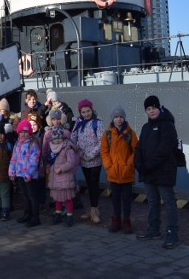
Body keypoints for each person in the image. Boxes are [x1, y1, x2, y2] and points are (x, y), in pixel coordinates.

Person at [135, 95, 180, 249]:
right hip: (148, 172)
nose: (151, 111)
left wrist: (147, 165)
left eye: (154, 107)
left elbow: (165, 149)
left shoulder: (167, 125)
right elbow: (139, 148)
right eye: (148, 109)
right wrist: (138, 163)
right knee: (153, 202)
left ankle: (172, 233)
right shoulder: (145, 128)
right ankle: (153, 229)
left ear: (159, 108)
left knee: (169, 202)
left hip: (163, 171)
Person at [101, 105, 138, 233]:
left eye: (121, 117)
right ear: (112, 119)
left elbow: (136, 151)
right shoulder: (107, 134)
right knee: (115, 199)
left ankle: (126, 220)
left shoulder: (131, 133)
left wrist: (129, 165)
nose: (119, 119)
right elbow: (104, 152)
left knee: (127, 199)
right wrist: (109, 166)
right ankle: (116, 219)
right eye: (116, 117)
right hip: (113, 174)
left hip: (127, 173)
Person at [70, 98, 104, 223]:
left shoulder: (97, 123)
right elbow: (73, 138)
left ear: (91, 110)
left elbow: (101, 142)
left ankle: (95, 211)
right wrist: (78, 152)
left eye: (88, 111)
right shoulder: (78, 123)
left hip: (95, 160)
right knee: (89, 184)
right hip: (83, 160)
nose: (86, 114)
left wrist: (90, 154)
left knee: (94, 184)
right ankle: (90, 210)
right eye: (83, 112)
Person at [9, 120, 41, 227]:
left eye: (26, 132)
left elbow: (34, 160)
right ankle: (27, 213)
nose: (23, 134)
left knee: (32, 196)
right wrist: (12, 172)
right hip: (20, 174)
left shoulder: (33, 144)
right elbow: (13, 158)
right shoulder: (17, 144)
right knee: (25, 196)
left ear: (30, 132)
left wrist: (29, 174)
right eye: (21, 132)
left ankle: (35, 217)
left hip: (30, 176)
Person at [46, 123, 80, 227]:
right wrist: (48, 167)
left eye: (59, 138)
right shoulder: (51, 148)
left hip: (65, 177)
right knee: (57, 198)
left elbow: (72, 162)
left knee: (67, 198)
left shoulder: (67, 148)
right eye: (55, 138)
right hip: (55, 178)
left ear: (63, 137)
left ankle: (70, 216)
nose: (57, 140)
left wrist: (61, 168)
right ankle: (58, 214)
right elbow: (51, 161)